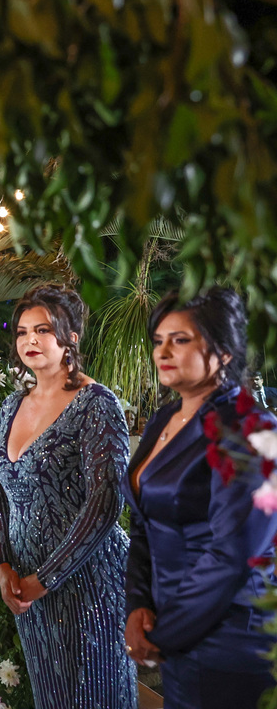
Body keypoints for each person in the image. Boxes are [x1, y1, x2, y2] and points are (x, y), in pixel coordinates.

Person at [0, 284, 136, 709]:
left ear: (71, 336)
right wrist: (2, 567)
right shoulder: (12, 406)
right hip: (27, 588)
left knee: (95, 697)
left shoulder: (96, 404)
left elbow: (107, 502)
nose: (29, 340)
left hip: (88, 582)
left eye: (43, 330)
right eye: (22, 332)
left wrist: (45, 579)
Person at [123, 288, 277, 707]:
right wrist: (137, 605)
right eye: (158, 340)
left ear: (224, 351)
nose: (162, 351)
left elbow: (233, 554)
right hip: (173, 637)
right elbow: (142, 524)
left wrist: (161, 634)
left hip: (231, 642)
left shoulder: (251, 428)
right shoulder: (163, 419)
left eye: (180, 340)